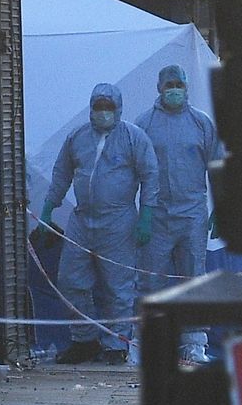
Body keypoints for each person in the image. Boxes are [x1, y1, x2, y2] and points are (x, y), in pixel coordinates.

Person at [36, 83, 160, 365]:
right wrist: (48, 208)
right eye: (98, 106)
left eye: (108, 106)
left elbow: (150, 175)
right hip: (82, 220)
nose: (103, 112)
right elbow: (62, 173)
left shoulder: (133, 138)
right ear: (90, 108)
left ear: (119, 109)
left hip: (119, 222)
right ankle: (84, 340)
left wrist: (146, 215)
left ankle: (116, 344)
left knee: (118, 286)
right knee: (70, 281)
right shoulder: (77, 137)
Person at [133, 64, 222, 364]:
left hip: (192, 214)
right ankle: (149, 343)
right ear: (159, 88)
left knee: (193, 279)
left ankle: (195, 344)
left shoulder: (201, 123)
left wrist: (220, 207)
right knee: (150, 281)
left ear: (186, 87)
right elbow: (134, 171)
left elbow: (217, 166)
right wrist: (141, 215)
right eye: (169, 85)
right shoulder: (144, 124)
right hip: (156, 215)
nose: (174, 90)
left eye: (179, 85)